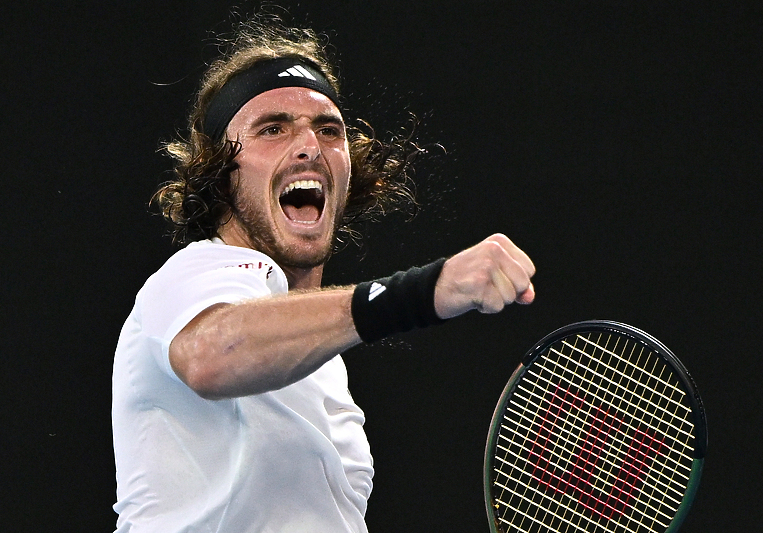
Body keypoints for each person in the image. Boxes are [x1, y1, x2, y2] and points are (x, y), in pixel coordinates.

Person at [111, 14, 535, 533]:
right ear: (222, 174)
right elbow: (211, 353)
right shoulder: (194, 273)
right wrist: (421, 293)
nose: (310, 145)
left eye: (329, 129)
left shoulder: (322, 366)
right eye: (273, 128)